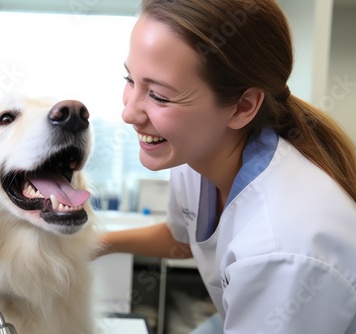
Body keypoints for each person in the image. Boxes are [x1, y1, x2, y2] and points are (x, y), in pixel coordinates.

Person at [97, 0, 356, 333]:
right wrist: (97, 245)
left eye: (159, 96)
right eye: (130, 80)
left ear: (242, 106)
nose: (129, 113)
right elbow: (186, 239)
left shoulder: (281, 248)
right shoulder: (195, 152)